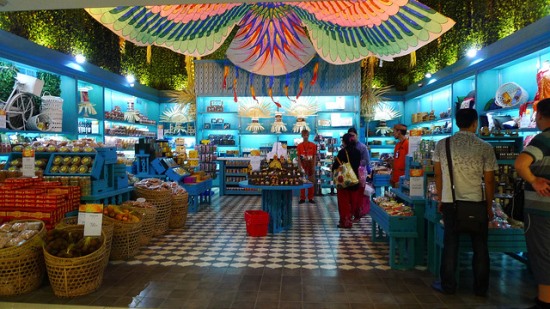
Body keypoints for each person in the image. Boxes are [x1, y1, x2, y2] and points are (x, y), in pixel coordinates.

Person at [432, 108, 498, 297]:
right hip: (477, 202)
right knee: (480, 246)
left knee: (451, 244)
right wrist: (488, 205)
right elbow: (490, 180)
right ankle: (481, 288)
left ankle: (448, 286)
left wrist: (440, 197)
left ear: (456, 122)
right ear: (475, 123)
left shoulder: (442, 145)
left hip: (451, 202)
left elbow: (438, 173)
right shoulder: (485, 147)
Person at [514, 98, 550, 309]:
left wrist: (534, 180)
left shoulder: (543, 139)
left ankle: (544, 301)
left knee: (543, 253)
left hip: (542, 209)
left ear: (541, 116)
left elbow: (520, 164)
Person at [332, 133, 362, 228]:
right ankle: (350, 218)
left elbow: (335, 166)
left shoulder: (342, 152)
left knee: (344, 202)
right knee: (352, 202)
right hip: (354, 180)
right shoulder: (358, 151)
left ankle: (345, 221)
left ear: (344, 142)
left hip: (344, 181)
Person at [348, 127, 371, 221]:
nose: (351, 138)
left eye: (353, 135)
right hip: (349, 175)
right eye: (350, 136)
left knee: (358, 195)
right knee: (350, 195)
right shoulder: (348, 147)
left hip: (359, 174)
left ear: (357, 135)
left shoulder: (362, 147)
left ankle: (358, 214)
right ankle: (351, 213)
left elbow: (367, 160)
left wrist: (356, 163)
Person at [297, 129, 317, 204]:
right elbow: (298, 157)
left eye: (307, 135)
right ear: (302, 136)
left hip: (310, 164)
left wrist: (314, 165)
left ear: (308, 135)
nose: (305, 136)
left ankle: (310, 198)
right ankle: (302, 198)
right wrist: (299, 166)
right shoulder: (299, 146)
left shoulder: (313, 145)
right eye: (304, 135)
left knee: (311, 181)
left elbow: (315, 156)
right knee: (302, 181)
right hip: (303, 165)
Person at [390, 123, 409, 188]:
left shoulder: (408, 144)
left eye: (394, 131)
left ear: (399, 132)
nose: (393, 133)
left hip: (403, 179)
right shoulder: (397, 145)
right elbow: (396, 160)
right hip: (395, 178)